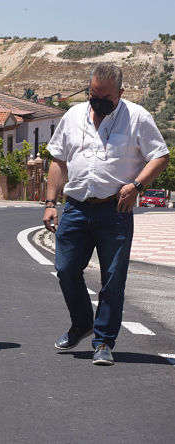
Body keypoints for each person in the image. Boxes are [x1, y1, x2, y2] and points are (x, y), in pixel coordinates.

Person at [43, 63, 169, 366]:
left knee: (113, 278)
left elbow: (160, 156)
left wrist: (137, 186)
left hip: (115, 210)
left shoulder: (138, 117)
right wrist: (49, 202)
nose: (97, 102)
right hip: (76, 207)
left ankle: (103, 341)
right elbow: (58, 160)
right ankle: (82, 323)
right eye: (93, 95)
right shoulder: (73, 115)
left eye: (105, 97)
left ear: (120, 93)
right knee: (65, 269)